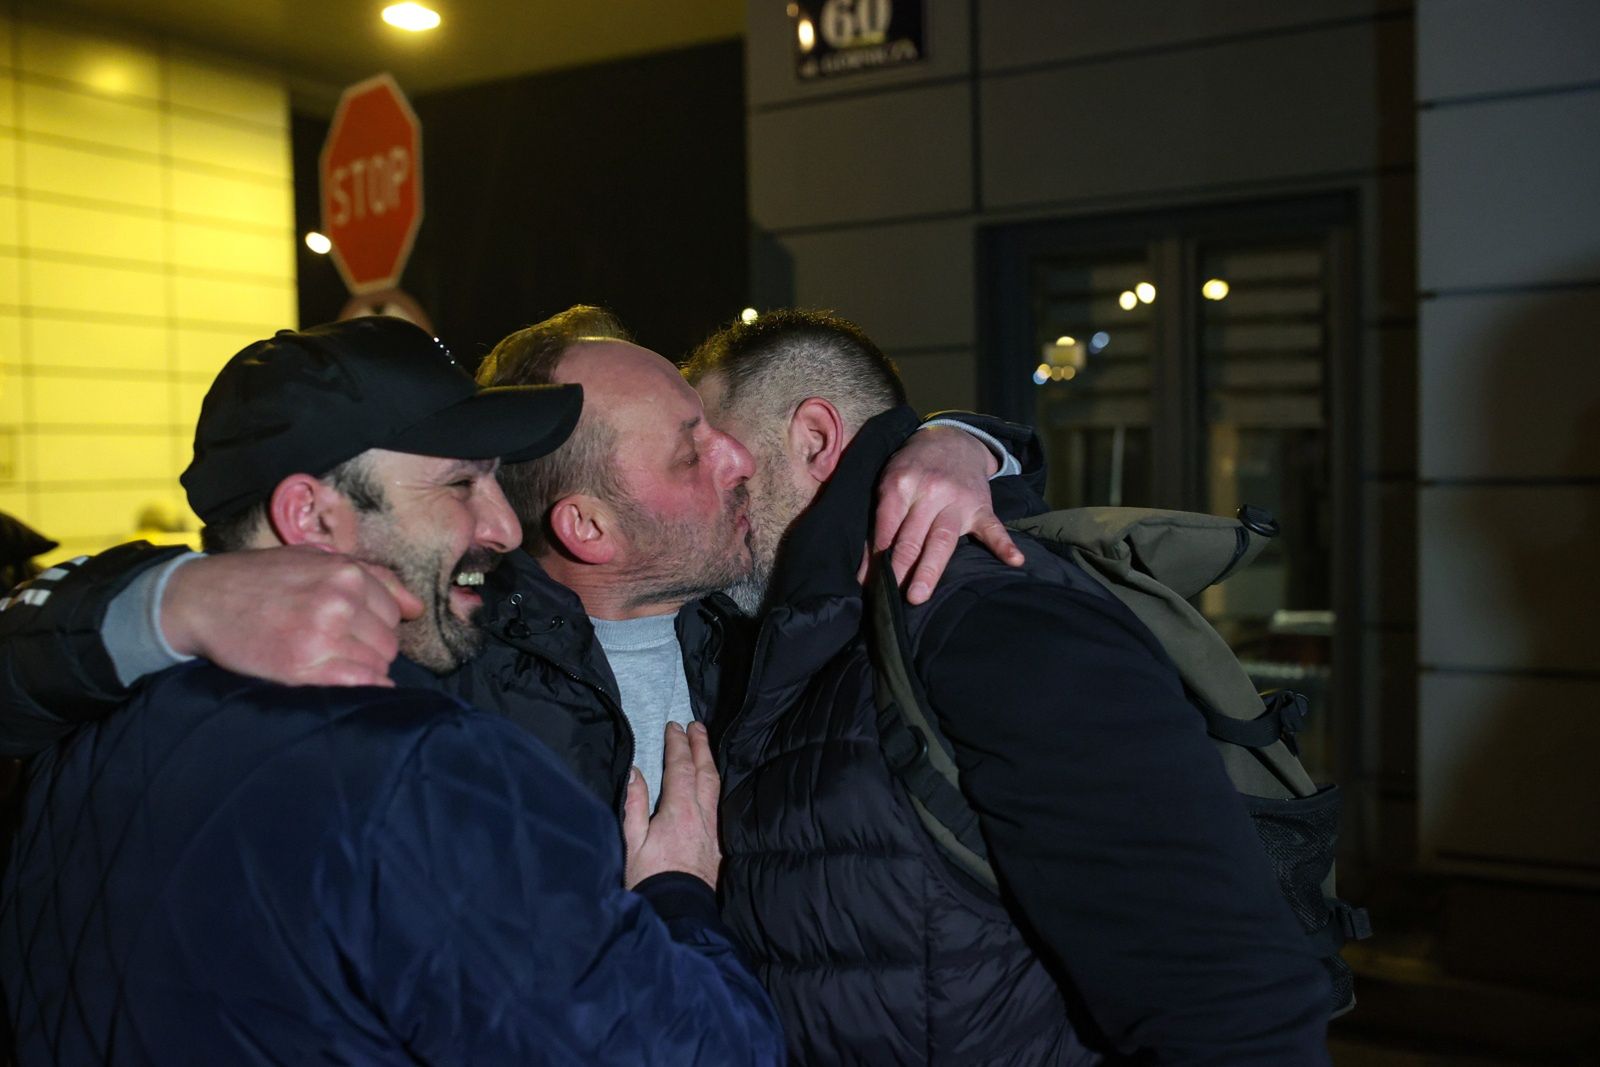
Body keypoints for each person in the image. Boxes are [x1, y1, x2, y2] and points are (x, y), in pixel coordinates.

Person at [0, 317, 784, 1064]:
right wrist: (678, 892)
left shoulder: (87, 729)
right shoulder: (428, 771)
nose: (506, 527)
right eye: (459, 484)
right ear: (311, 516)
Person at [0, 306, 1030, 825]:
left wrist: (958, 442)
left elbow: (945, 528)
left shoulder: (760, 618)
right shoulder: (442, 661)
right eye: (689, 448)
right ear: (587, 526)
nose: (737, 460)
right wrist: (174, 595)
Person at [681, 309, 1333, 1064]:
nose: (705, 489)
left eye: (718, 456)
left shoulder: (993, 619)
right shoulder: (792, 633)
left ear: (816, 440)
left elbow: (1232, 1003)